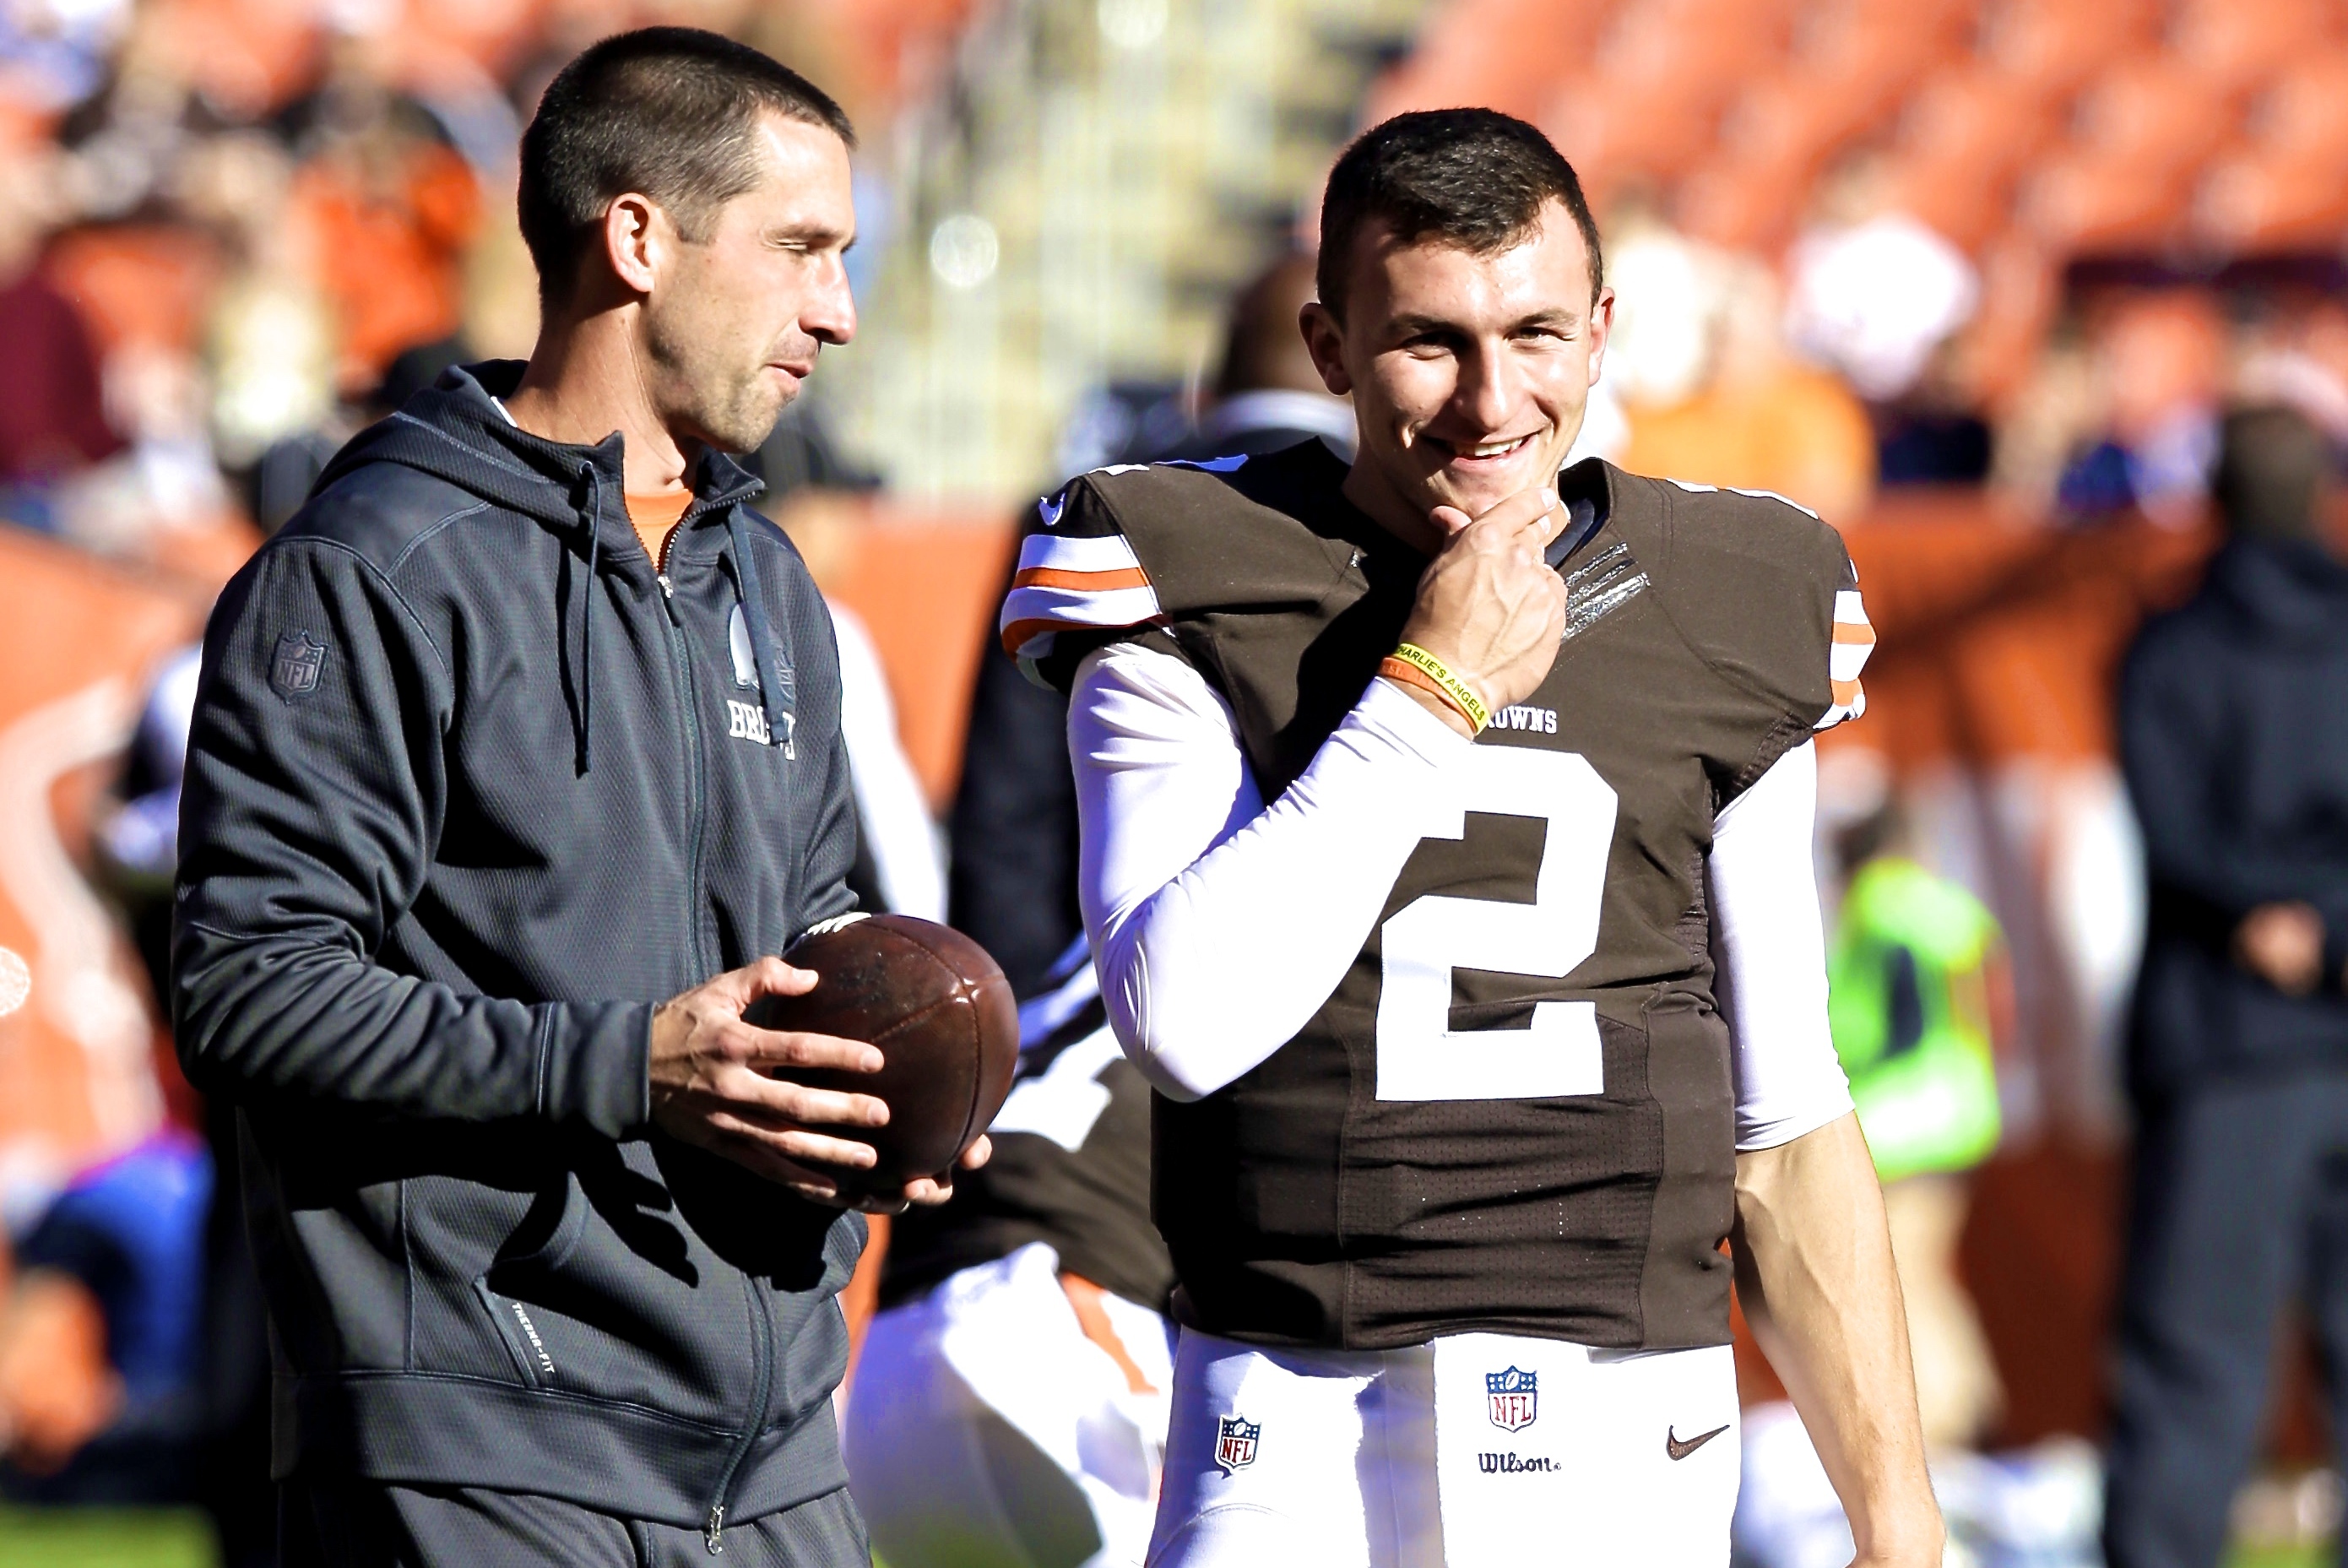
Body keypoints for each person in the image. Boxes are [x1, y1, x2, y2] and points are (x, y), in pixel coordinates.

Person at [1002, 109, 1942, 1565]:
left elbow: (1785, 1118)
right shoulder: (1182, 564)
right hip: (1288, 1395)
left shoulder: (1738, 588)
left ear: (1603, 330)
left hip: (1630, 1398)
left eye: (1538, 333)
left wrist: (1898, 1527)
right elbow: (1182, 1019)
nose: (1490, 397)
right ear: (1327, 350)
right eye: (1428, 340)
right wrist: (1427, 693)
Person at [171, 29, 983, 1565]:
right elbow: (250, 989)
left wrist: (885, 1079)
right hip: (480, 1447)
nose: (842, 310)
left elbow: (803, 938)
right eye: (803, 249)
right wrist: (629, 1064)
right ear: (636, 239)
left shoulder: (768, 580)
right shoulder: (371, 570)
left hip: (775, 1462)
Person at [2104, 403, 2348, 1568]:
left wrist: (2273, 916)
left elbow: (2170, 826)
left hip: (2224, 1049)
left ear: (2210, 499)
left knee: (2194, 1360)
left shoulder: (2171, 644)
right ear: (2318, 495)